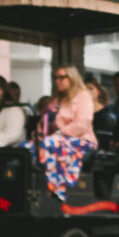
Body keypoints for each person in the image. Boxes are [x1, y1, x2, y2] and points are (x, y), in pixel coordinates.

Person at [34, 65, 96, 197]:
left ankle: (58, 189)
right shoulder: (58, 100)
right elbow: (44, 120)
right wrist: (38, 132)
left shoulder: (83, 96)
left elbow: (82, 124)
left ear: (72, 78)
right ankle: (35, 187)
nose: (58, 81)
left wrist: (59, 133)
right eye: (56, 78)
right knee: (26, 147)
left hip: (81, 139)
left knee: (49, 144)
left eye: (62, 77)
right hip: (56, 139)